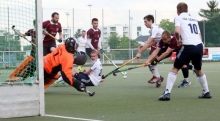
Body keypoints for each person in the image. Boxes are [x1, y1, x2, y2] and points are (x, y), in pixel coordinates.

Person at [158, 2, 212, 101]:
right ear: (187, 10)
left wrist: (179, 40)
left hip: (188, 46)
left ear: (177, 11)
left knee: (175, 68)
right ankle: (206, 92)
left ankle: (167, 93)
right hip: (199, 45)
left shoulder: (178, 18)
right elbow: (199, 35)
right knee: (198, 69)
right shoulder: (194, 19)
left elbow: (177, 31)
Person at [136, 15, 164, 86]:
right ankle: (158, 77)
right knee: (150, 62)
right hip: (162, 47)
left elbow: (149, 43)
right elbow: (152, 42)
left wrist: (139, 53)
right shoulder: (153, 28)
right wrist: (144, 46)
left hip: (165, 47)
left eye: (145, 21)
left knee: (150, 61)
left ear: (150, 20)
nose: (144, 23)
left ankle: (157, 77)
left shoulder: (154, 28)